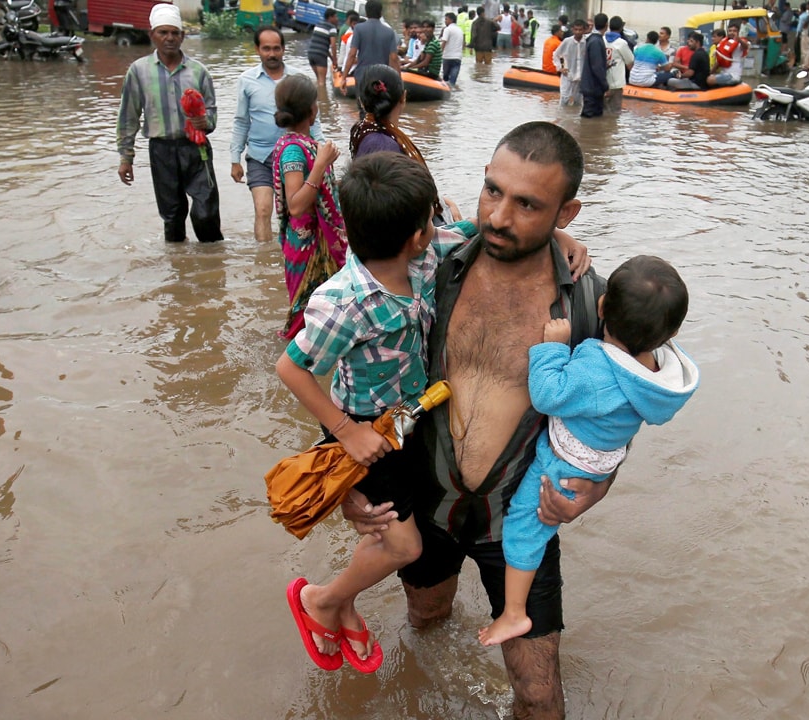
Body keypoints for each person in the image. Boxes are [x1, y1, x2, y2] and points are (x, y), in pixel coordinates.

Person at [340, 121, 606, 719]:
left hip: (516, 523)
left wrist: (594, 489)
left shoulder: (588, 305)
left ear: (568, 212)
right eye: (492, 191)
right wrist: (350, 485)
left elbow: (617, 415)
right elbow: (356, 370)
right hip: (427, 503)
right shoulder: (431, 269)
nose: (499, 217)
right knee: (426, 622)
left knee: (539, 696)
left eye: (527, 204)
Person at [277, 152, 468, 674]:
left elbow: (476, 229)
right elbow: (291, 369)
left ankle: (343, 602)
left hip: (405, 419)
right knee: (403, 544)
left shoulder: (425, 259)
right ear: (417, 234)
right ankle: (321, 599)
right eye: (431, 219)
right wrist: (344, 434)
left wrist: (560, 238)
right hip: (362, 426)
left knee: (386, 529)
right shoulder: (342, 301)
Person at [478, 255, 699, 647]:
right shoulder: (654, 376)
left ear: (600, 307)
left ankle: (513, 614)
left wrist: (554, 349)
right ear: (671, 332)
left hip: (562, 463)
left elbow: (547, 395)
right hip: (598, 465)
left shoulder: (598, 370)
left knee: (523, 528)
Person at [116, 4, 222, 244]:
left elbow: (213, 114)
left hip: (197, 150)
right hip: (161, 150)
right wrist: (126, 158)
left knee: (206, 213)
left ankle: (213, 267)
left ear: (183, 36)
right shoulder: (139, 71)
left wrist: (205, 121)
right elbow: (128, 117)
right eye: (163, 32)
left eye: (175, 33)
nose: (170, 38)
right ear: (152, 34)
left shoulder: (199, 71)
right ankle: (179, 269)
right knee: (172, 216)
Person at [230, 26, 326, 246]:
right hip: (261, 157)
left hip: (296, 156)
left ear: (284, 49)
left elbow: (314, 118)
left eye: (276, 48)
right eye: (266, 49)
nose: (271, 54)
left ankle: (293, 256)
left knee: (299, 213)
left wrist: (320, 147)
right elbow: (241, 121)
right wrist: (235, 158)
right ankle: (265, 262)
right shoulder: (247, 80)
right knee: (263, 209)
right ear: (257, 49)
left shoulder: (298, 80)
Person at [269, 74, 347, 339]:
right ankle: (294, 360)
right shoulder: (293, 150)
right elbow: (296, 205)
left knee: (322, 312)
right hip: (308, 244)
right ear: (312, 110)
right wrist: (321, 165)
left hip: (314, 241)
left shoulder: (298, 144)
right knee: (306, 314)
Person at [348, 65, 461, 224]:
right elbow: (392, 211)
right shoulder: (384, 145)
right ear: (404, 97)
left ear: (361, 100)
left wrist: (444, 202)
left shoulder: (363, 129)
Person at [341, 0, 399, 96]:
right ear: (381, 13)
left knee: (363, 106)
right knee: (380, 105)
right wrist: (399, 81)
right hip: (382, 75)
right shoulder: (389, 32)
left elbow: (352, 55)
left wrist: (344, 78)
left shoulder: (359, 29)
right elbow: (394, 58)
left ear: (366, 13)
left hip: (363, 75)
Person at [580, 12, 609, 117]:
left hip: (590, 86)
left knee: (591, 118)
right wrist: (605, 85)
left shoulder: (593, 40)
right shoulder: (596, 41)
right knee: (590, 117)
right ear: (606, 25)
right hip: (593, 88)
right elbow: (596, 66)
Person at [604, 16, 634, 113]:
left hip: (602, 81)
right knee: (615, 113)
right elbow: (630, 62)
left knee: (603, 110)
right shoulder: (622, 43)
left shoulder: (602, 39)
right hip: (616, 83)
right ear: (621, 27)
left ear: (608, 26)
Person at [554, 19, 585, 105]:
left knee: (578, 102)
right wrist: (561, 67)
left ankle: (576, 118)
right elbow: (557, 54)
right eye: (576, 29)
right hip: (568, 76)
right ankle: (563, 117)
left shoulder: (586, 42)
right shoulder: (567, 41)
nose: (578, 32)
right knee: (564, 99)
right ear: (572, 29)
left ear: (584, 30)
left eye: (580, 30)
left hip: (580, 78)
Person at [308, 7, 340, 87]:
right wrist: (335, 60)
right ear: (330, 17)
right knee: (322, 83)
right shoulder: (332, 28)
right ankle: (322, 99)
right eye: (335, 17)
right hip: (320, 56)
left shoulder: (318, 24)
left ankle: (316, 97)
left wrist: (332, 58)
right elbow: (333, 45)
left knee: (318, 79)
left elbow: (322, 45)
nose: (337, 19)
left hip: (310, 54)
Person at [440, 12, 464, 88]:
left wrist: (438, 54)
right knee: (452, 82)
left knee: (445, 80)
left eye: (446, 19)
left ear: (451, 20)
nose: (445, 21)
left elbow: (444, 43)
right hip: (457, 58)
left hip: (447, 57)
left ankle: (445, 96)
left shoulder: (447, 29)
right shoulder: (460, 30)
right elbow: (462, 45)